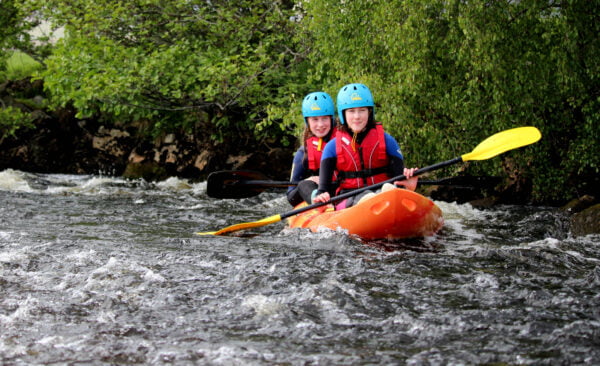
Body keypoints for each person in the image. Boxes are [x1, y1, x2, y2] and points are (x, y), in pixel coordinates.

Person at [312, 83, 418, 209]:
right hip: (348, 198)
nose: (357, 116)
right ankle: (374, 199)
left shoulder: (388, 141)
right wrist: (321, 198)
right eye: (351, 111)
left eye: (362, 110)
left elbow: (399, 181)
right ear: (343, 114)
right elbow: (323, 190)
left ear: (369, 112)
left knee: (388, 191)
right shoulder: (331, 148)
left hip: (384, 192)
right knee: (366, 196)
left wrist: (408, 187)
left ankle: (383, 196)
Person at [286, 91, 337, 206]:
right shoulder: (302, 153)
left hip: (341, 190)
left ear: (331, 119)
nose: (320, 125)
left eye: (324, 118)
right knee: (304, 184)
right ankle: (318, 201)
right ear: (307, 121)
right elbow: (291, 196)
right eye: (315, 119)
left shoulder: (345, 143)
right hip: (315, 192)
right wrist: (309, 181)